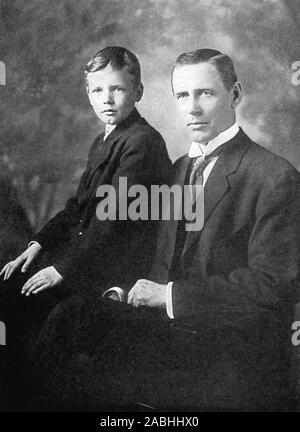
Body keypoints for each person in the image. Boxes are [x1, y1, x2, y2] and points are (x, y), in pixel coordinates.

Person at [30, 48, 300, 412]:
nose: (192, 108)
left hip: (227, 349)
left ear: (235, 94)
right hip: (168, 336)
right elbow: (155, 259)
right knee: (68, 317)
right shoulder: (178, 170)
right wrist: (122, 291)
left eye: (206, 93)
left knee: (75, 337)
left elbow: (271, 287)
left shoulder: (274, 176)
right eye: (182, 96)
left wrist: (169, 296)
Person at [0, 46, 171, 410]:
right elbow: (78, 208)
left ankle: (27, 398)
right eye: (97, 90)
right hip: (90, 257)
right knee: (10, 289)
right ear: (88, 93)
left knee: (37, 311)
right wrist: (37, 243)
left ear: (138, 92)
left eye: (118, 89)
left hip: (118, 271)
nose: (106, 100)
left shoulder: (141, 142)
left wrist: (61, 269)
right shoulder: (105, 140)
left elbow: (112, 223)